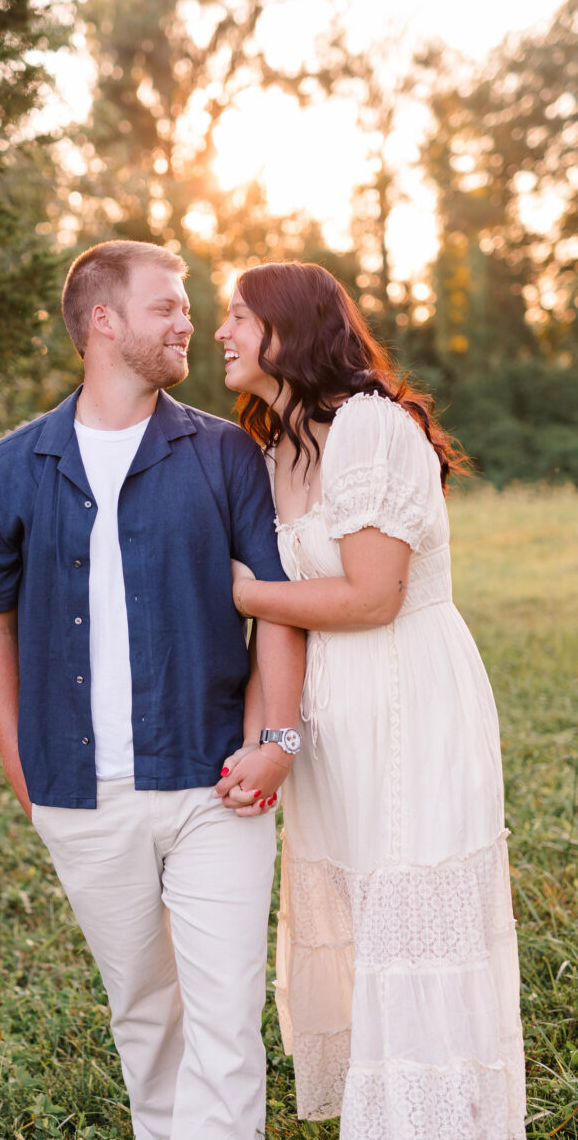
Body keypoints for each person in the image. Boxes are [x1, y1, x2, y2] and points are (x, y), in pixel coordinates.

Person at [0, 240, 304, 1140]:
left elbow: (279, 609)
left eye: (188, 306)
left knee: (226, 1024)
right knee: (147, 1018)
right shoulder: (8, 472)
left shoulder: (226, 454)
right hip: (80, 793)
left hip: (212, 782)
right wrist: (18, 759)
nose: (190, 321)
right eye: (167, 306)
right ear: (103, 322)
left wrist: (275, 741)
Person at [213, 262, 527, 1140]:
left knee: (413, 917)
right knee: (360, 913)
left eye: (237, 314)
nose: (221, 333)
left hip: (408, 696)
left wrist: (238, 591)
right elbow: (291, 617)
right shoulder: (278, 446)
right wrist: (265, 734)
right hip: (334, 712)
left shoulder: (371, 427)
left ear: (290, 328)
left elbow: (370, 595)